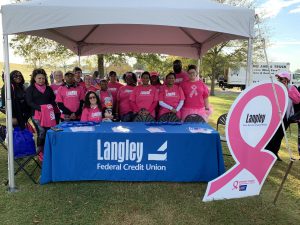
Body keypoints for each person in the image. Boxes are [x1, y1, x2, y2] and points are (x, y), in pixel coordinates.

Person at [265, 71, 300, 161]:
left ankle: (274, 152)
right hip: (275, 115)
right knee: (272, 134)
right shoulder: (275, 86)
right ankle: (268, 152)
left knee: (279, 135)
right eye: (279, 78)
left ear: (287, 79)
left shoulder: (291, 88)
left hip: (286, 116)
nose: (280, 80)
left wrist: (286, 89)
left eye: (282, 79)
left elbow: (297, 100)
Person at [25, 69, 56, 158]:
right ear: (34, 78)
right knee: (41, 131)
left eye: (43, 78)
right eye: (39, 78)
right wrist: (41, 108)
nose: (41, 80)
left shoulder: (49, 88)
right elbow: (29, 102)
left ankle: (48, 149)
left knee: (49, 131)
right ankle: (40, 151)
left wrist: (50, 107)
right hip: (36, 114)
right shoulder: (30, 89)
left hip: (48, 114)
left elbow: (53, 99)